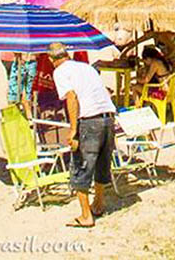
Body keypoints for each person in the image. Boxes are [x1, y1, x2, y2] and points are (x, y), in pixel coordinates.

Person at [47, 42, 116, 229]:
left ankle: (86, 215)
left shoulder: (60, 72)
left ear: (51, 59)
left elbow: (72, 98)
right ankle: (99, 204)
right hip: (108, 116)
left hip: (90, 119)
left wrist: (73, 130)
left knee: (80, 165)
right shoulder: (86, 67)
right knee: (103, 161)